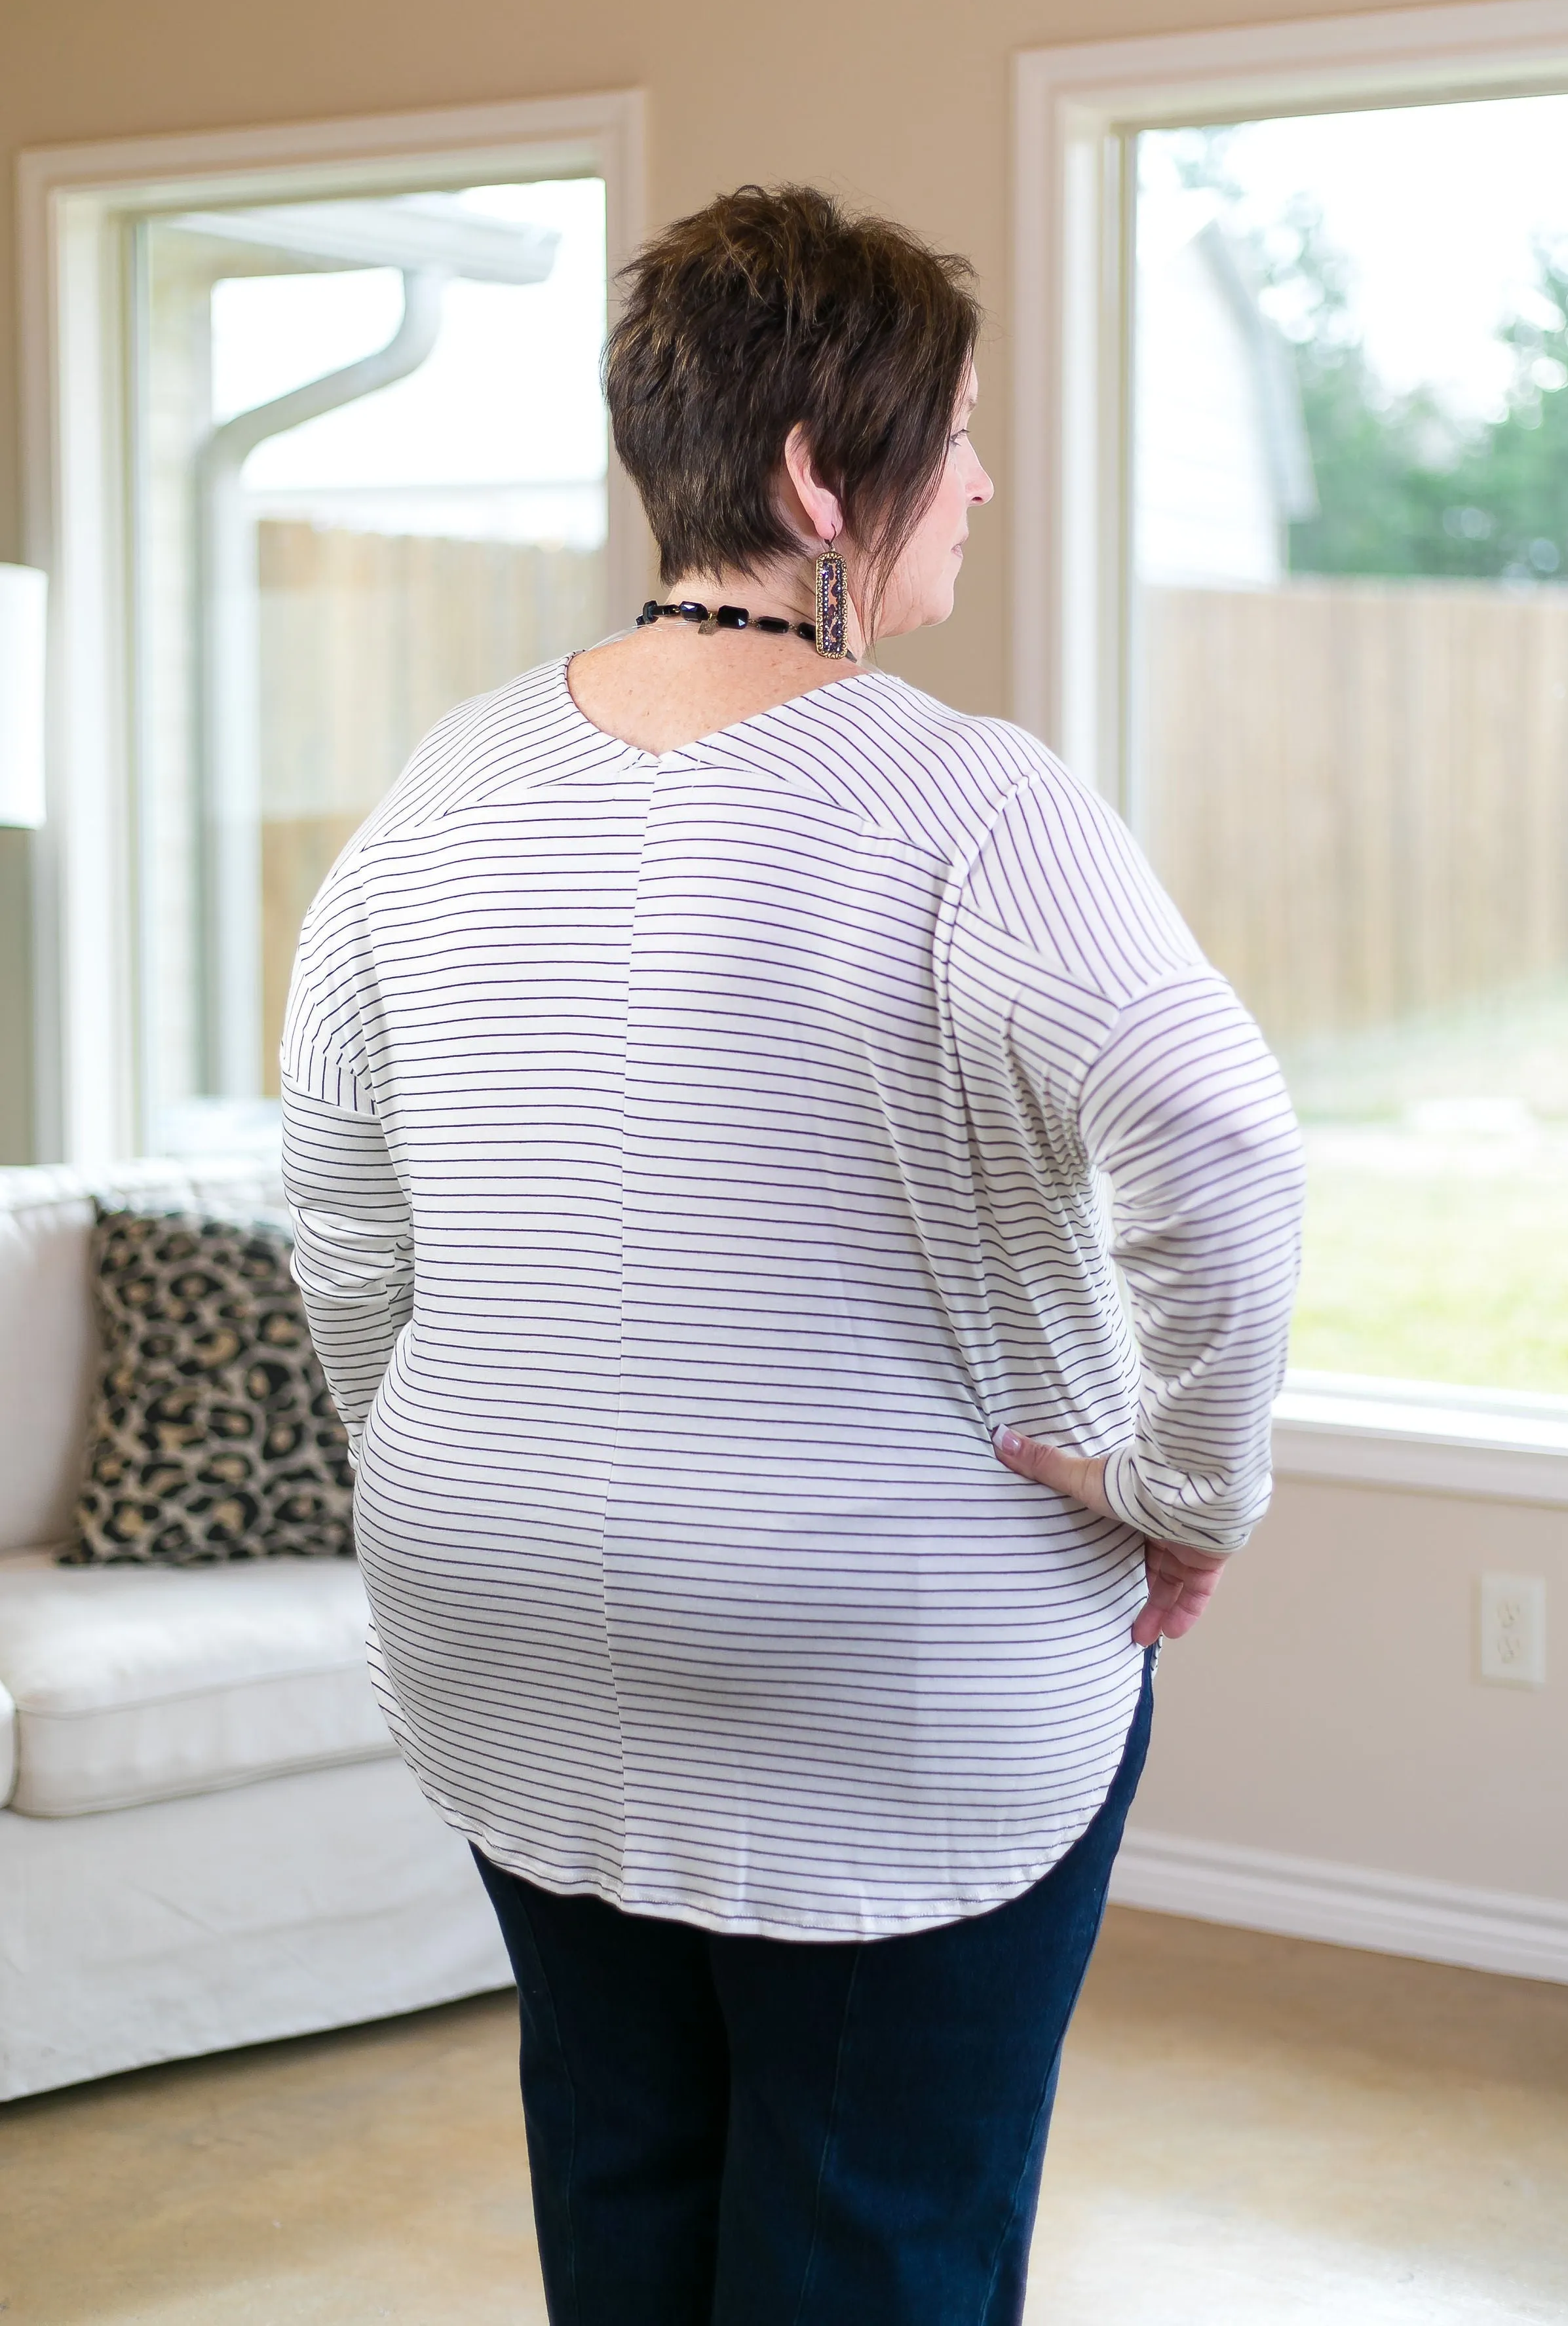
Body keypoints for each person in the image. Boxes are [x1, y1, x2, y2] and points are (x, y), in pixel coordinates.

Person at [280, 183, 1304, 2326]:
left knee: (626, 2177)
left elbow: (343, 1197)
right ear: (821, 480)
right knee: (877, 2229)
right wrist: (1183, 1494)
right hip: (880, 1657)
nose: (988, 482)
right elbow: (1220, 1138)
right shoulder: (971, 804)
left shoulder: (439, 787)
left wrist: (461, 1454)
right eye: (955, 434)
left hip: (500, 1602)